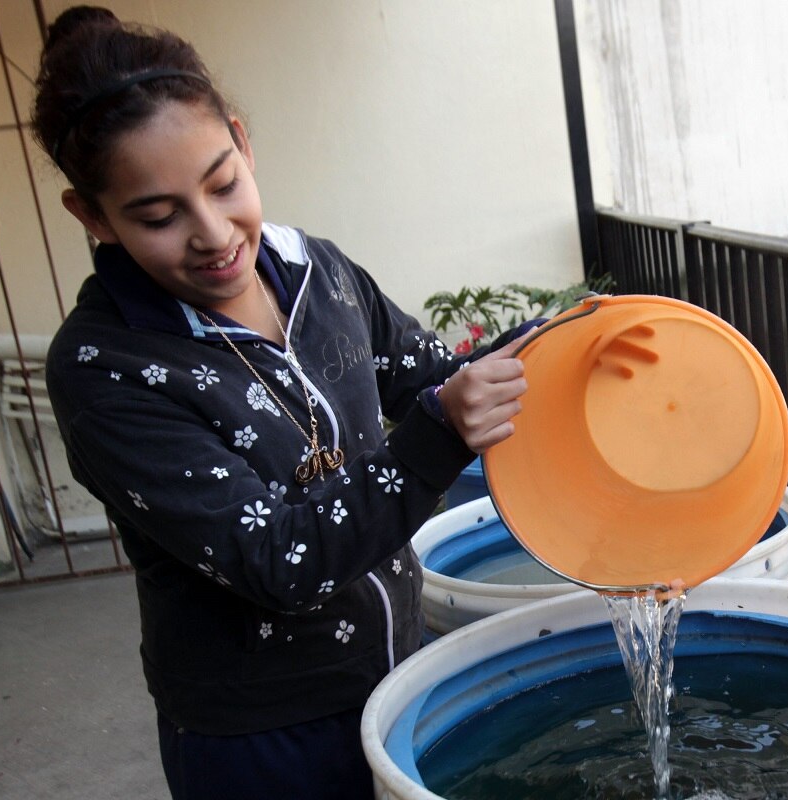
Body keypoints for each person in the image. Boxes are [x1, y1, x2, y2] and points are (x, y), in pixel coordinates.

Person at [32, 7, 531, 799]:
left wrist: (565, 346)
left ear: (241, 140)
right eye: (158, 216)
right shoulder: (107, 368)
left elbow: (432, 377)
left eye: (223, 183)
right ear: (92, 216)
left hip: (402, 679)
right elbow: (277, 560)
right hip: (264, 737)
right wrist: (437, 435)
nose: (212, 234)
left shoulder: (316, 273)